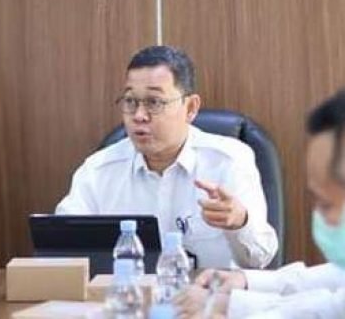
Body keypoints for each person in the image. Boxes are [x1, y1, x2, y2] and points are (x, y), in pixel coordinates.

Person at [56, 45, 278, 269]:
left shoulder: (228, 161)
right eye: (130, 101)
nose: (139, 116)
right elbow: (60, 249)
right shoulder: (98, 171)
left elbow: (261, 259)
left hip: (210, 291)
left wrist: (240, 222)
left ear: (190, 108)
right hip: (128, 290)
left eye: (154, 102)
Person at [176, 90, 345, 318]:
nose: (322, 218)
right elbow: (335, 283)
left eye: (326, 203)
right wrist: (245, 282)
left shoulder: (229, 158)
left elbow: (321, 312)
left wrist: (227, 306)